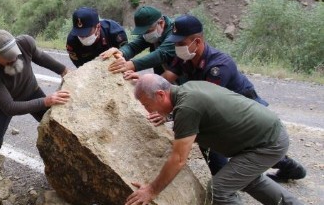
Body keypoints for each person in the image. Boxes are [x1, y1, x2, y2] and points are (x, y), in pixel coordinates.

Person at [126, 74, 322, 205]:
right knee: (246, 179)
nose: (147, 109)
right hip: (267, 135)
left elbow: (178, 159)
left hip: (267, 143)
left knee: (220, 189)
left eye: (147, 104)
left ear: (161, 95)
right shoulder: (188, 90)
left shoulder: (187, 107)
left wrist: (152, 190)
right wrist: (168, 116)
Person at [125, 14, 307, 182]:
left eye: (181, 43)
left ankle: (278, 171)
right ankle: (236, 177)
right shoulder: (185, 57)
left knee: (246, 147)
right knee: (217, 147)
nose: (177, 47)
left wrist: (169, 116)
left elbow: (205, 105)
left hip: (242, 111)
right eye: (176, 43)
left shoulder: (219, 66)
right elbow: (167, 80)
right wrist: (146, 84)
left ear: (197, 41)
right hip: (213, 110)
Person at [0, 30, 70, 197]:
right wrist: (45, 101)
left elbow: (41, 57)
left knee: (58, 128)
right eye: (7, 57)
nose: (13, 59)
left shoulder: (25, 43)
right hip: (5, 103)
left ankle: (67, 168)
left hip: (32, 92)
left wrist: (63, 70)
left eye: (14, 54)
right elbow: (9, 107)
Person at [100, 6, 176, 75]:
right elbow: (133, 47)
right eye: (143, 32)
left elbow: (161, 54)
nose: (145, 35)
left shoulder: (176, 31)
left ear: (161, 23)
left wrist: (131, 65)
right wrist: (121, 53)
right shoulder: (154, 32)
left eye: (147, 31)